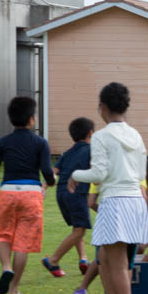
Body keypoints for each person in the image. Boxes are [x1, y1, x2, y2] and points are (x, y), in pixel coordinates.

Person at [69, 82, 148, 294]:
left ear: (102, 107)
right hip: (134, 200)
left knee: (116, 265)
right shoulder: (135, 135)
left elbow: (100, 173)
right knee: (105, 258)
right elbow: (140, 173)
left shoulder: (102, 136)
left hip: (115, 202)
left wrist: (75, 174)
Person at [0, 96, 56, 294]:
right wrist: (51, 182)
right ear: (31, 119)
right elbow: (46, 171)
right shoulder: (40, 143)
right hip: (31, 194)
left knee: (2, 234)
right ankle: (14, 290)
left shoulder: (2, 143)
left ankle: (5, 267)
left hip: (7, 192)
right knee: (22, 242)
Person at [42, 117, 95, 278]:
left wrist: (44, 186)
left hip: (61, 194)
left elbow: (54, 171)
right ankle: (53, 260)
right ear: (91, 133)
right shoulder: (91, 150)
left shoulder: (67, 152)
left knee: (77, 227)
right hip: (77, 193)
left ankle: (83, 259)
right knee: (80, 230)